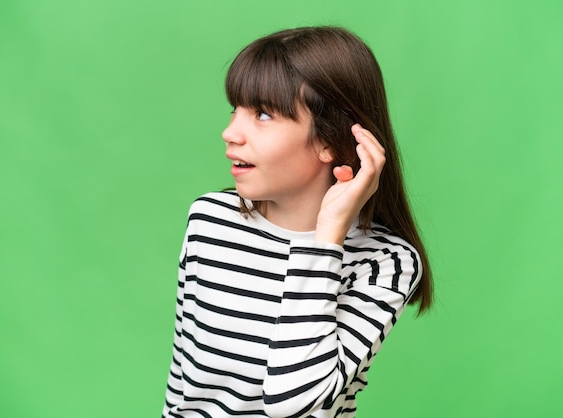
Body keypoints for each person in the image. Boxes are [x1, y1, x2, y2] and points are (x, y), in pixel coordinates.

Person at [162, 26, 433, 418]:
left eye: (263, 114)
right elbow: (183, 386)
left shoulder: (386, 263)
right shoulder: (209, 222)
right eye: (234, 109)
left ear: (331, 140)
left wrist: (326, 240)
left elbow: (293, 403)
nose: (230, 133)